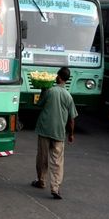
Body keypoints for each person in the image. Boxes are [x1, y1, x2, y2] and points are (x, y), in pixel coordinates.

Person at [31, 67, 78, 200]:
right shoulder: (68, 96)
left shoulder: (50, 91)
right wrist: (71, 134)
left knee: (42, 158)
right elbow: (72, 118)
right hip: (59, 133)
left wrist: (42, 89)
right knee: (57, 161)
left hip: (45, 129)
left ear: (58, 77)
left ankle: (41, 181)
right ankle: (55, 187)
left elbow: (39, 104)